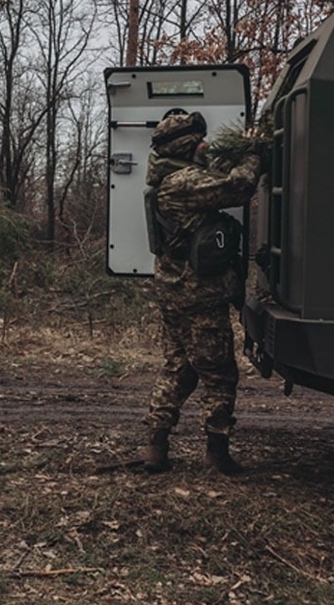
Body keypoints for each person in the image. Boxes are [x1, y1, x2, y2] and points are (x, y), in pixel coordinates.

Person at [140, 111, 261, 475]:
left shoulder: (169, 179)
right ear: (186, 145)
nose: (206, 145)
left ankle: (156, 446)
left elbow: (213, 180)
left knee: (179, 368)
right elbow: (240, 186)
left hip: (173, 293)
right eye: (200, 141)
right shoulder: (185, 182)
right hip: (199, 297)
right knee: (219, 374)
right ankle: (216, 453)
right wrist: (253, 153)